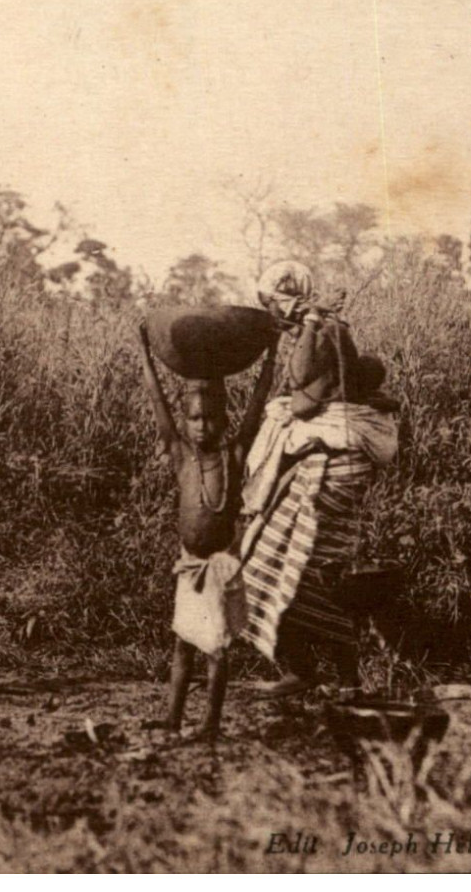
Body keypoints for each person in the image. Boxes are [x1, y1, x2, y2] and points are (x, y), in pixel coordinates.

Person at [238, 261, 400, 700]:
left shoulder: (325, 328)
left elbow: (300, 379)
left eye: (274, 302)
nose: (274, 312)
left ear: (288, 297)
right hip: (321, 459)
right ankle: (305, 670)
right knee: (274, 562)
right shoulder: (310, 328)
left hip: (334, 462)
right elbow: (300, 389)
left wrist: (311, 321)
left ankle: (343, 678)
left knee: (305, 568)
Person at [137, 320, 278, 743]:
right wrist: (145, 350)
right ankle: (173, 719)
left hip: (219, 567)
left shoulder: (234, 455)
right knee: (183, 644)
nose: (202, 426)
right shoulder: (180, 454)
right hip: (189, 565)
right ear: (185, 421)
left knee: (216, 648)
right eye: (194, 419)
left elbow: (258, 403)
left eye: (210, 418)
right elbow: (157, 399)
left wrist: (272, 355)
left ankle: (211, 723)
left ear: (223, 419)